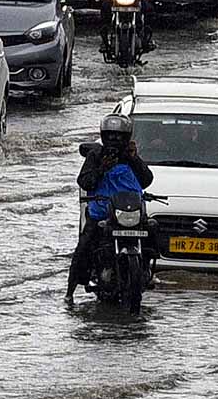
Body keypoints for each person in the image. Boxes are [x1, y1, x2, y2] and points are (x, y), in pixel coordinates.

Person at [65, 114, 154, 304]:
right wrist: (101, 169)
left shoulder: (130, 156)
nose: (115, 141)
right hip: (101, 211)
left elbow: (147, 180)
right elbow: (85, 181)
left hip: (129, 211)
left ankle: (147, 270)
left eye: (119, 136)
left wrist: (134, 158)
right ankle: (70, 291)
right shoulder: (95, 155)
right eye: (111, 136)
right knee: (84, 245)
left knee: (153, 229)